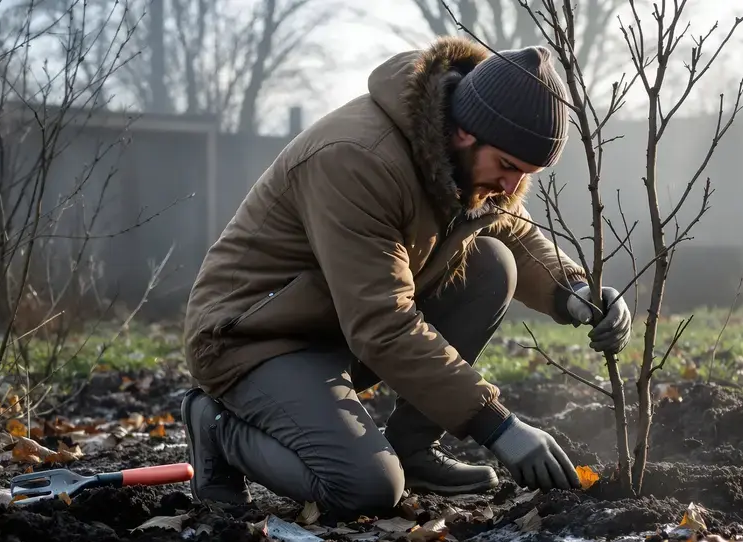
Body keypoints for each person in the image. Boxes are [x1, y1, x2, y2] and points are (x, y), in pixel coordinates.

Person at [179, 37, 633, 516]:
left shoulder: (461, 160)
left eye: (526, 174)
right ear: (463, 132)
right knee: (366, 489)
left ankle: (413, 450)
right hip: (256, 339)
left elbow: (513, 233)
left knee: (492, 264)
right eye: (506, 167)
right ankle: (214, 426)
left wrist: (576, 290)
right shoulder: (357, 159)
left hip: (336, 326)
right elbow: (382, 322)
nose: (511, 187)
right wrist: (498, 426)